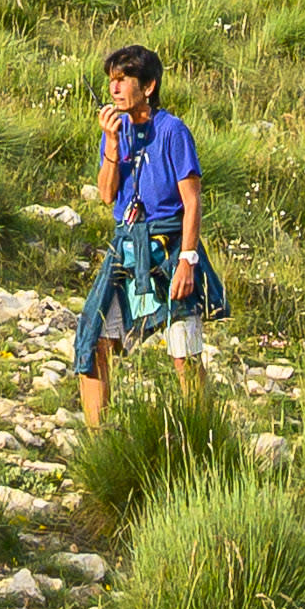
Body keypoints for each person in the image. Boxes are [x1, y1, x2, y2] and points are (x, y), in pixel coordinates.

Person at [73, 42, 224, 426]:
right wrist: (110, 143)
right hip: (126, 247)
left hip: (170, 247)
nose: (115, 89)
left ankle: (199, 433)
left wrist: (188, 261)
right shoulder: (116, 132)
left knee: (183, 350)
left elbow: (192, 202)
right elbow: (107, 194)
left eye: (124, 80)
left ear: (149, 86)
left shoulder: (173, 131)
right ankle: (98, 443)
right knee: (94, 339)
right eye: (112, 81)